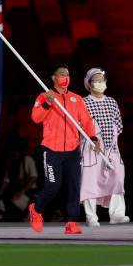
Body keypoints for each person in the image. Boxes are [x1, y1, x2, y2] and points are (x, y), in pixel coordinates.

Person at [28, 63, 101, 235]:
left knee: (74, 186)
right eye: (61, 74)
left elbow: (87, 121)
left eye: (67, 74)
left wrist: (93, 138)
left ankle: (72, 222)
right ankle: (36, 210)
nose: (65, 78)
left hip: (72, 151)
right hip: (51, 150)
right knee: (53, 186)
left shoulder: (76, 99)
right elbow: (35, 118)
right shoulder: (44, 96)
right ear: (54, 78)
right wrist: (47, 103)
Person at [81, 68, 129, 226]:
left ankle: (117, 214)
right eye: (96, 80)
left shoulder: (111, 102)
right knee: (90, 181)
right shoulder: (84, 102)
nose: (100, 83)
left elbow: (118, 125)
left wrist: (110, 142)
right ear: (89, 84)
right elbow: (80, 126)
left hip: (111, 149)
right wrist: (93, 140)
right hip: (91, 149)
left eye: (102, 80)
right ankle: (91, 216)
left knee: (117, 179)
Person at [0, 136, 38, 221]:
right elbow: (6, 180)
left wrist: (22, 192)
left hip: (29, 191)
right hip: (16, 189)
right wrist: (0, 192)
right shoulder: (11, 161)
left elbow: (34, 177)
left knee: (17, 203)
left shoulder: (28, 160)